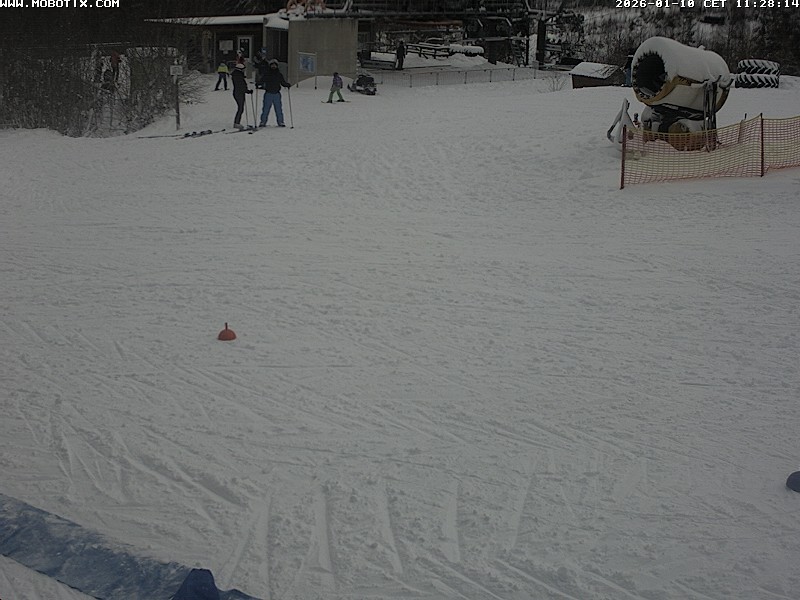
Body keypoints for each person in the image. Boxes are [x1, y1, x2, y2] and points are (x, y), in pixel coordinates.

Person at [259, 59, 291, 127]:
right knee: (265, 109)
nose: (273, 66)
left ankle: (280, 122)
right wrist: (258, 84)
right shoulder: (267, 74)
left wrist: (287, 84)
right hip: (268, 93)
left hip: (276, 93)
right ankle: (263, 121)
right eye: (272, 65)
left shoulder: (279, 74)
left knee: (278, 109)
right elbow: (262, 80)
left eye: (275, 65)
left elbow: (282, 82)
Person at [231, 63, 252, 129]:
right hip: (239, 93)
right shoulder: (238, 76)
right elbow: (241, 85)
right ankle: (236, 123)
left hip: (238, 93)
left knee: (240, 108)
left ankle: (237, 122)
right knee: (240, 108)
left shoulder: (237, 75)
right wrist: (247, 91)